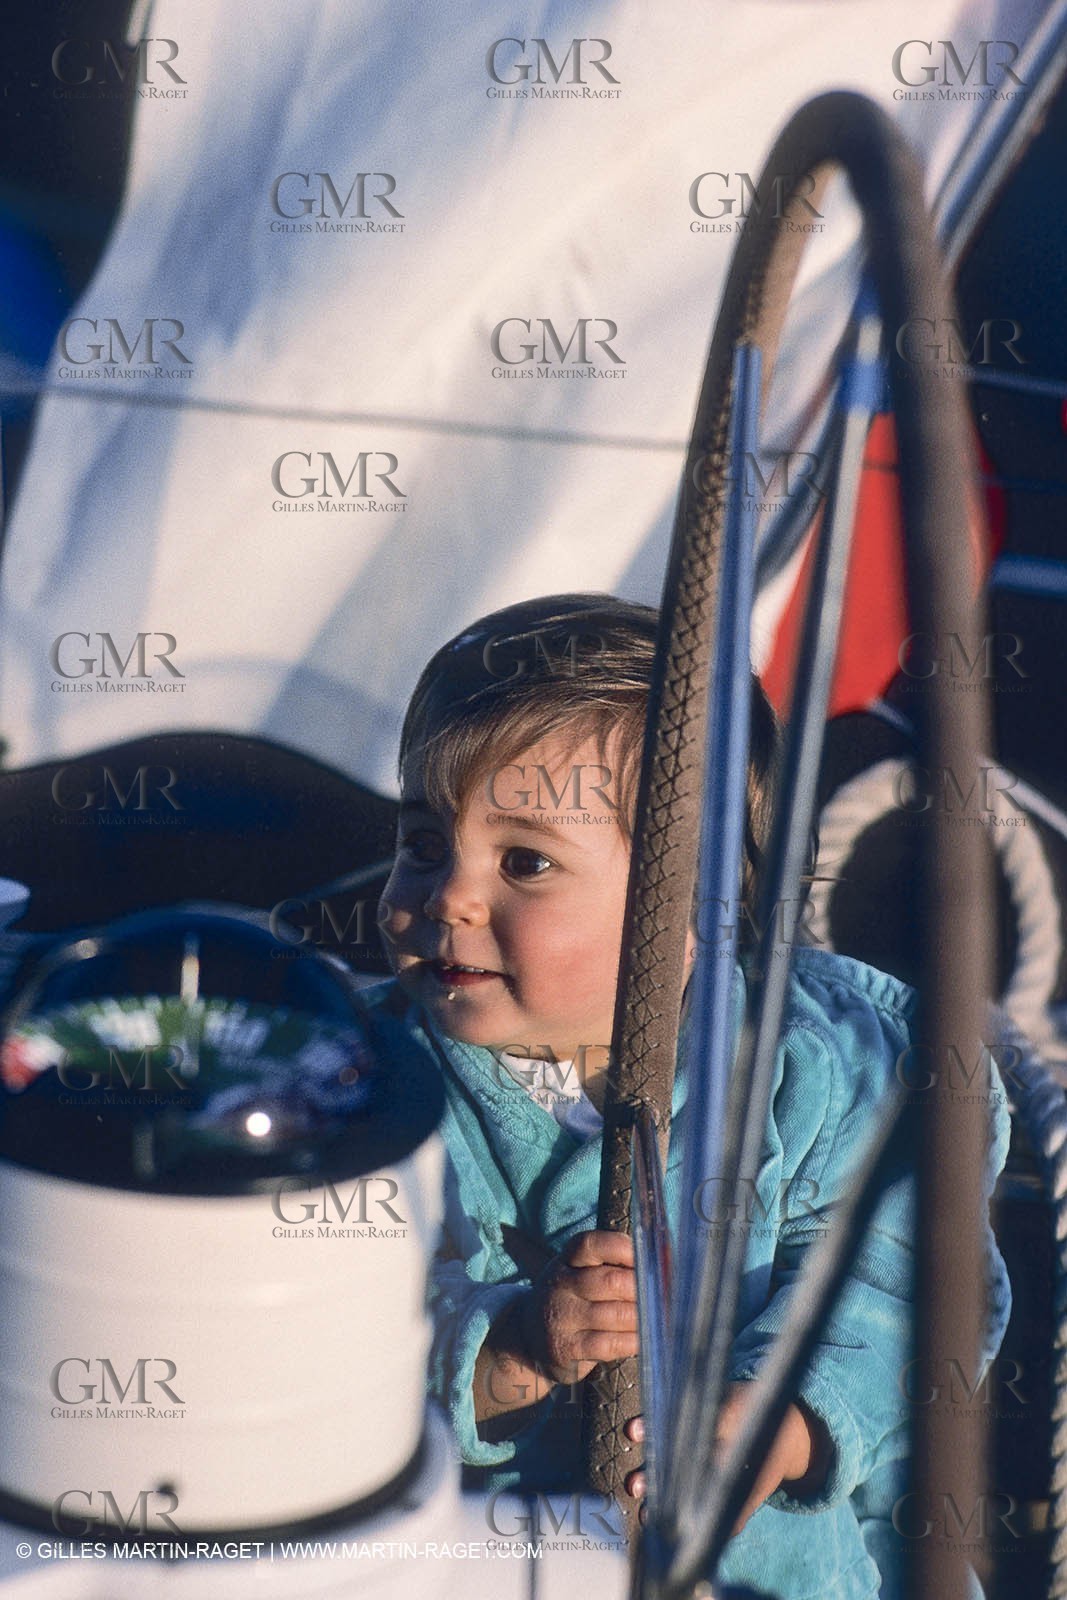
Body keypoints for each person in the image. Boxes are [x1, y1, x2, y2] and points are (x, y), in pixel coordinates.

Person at [364, 592, 1012, 1600]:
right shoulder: (370, 1088)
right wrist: (509, 1349)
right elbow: (335, 1335)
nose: (448, 893)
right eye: (420, 841)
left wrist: (782, 1419)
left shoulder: (817, 1070)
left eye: (522, 860)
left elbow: (909, 1290)